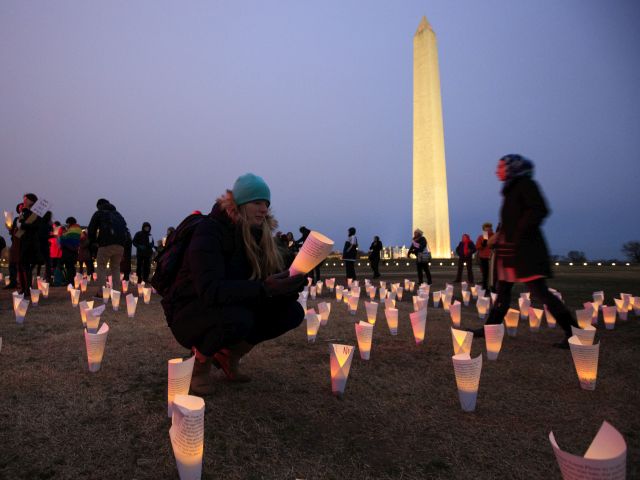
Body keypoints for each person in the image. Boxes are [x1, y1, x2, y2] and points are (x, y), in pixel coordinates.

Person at [161, 173, 306, 394]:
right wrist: (264, 289)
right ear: (240, 204)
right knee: (240, 318)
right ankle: (199, 363)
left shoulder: (260, 235)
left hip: (233, 303)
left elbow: (267, 282)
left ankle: (228, 356)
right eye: (257, 203)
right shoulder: (210, 231)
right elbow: (210, 290)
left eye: (266, 204)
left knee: (291, 312)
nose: (264, 209)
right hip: (190, 310)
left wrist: (292, 281)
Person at [472, 154, 578, 348]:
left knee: (541, 292)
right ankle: (490, 329)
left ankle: (573, 332)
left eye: (501, 166)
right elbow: (513, 218)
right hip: (509, 249)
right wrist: (502, 235)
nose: (497, 170)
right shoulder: (511, 189)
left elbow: (539, 210)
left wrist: (517, 234)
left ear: (512, 168)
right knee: (503, 291)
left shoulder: (525, 185)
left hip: (524, 250)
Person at [87, 198, 128, 295]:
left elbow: (91, 229)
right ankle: (116, 292)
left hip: (105, 243)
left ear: (99, 206)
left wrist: (93, 242)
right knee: (116, 267)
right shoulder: (118, 215)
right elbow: (125, 230)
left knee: (101, 267)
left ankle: (102, 292)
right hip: (120, 245)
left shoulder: (100, 213)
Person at [15, 193, 43, 294]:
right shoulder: (24, 212)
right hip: (23, 241)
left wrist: (21, 225)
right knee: (25, 265)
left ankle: (28, 288)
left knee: (29, 265)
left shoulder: (36, 213)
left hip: (31, 242)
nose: (24, 201)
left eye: (26, 199)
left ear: (32, 201)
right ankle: (26, 288)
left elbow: (35, 226)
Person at [59, 217, 82, 285]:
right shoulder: (79, 229)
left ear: (69, 223)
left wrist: (61, 235)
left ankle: (69, 282)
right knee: (72, 267)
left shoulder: (71, 230)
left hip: (69, 251)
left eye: (67, 223)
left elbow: (64, 239)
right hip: (75, 251)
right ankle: (72, 281)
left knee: (69, 267)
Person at [475, 222, 494, 291]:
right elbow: (477, 247)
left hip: (492, 258)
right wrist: (483, 244)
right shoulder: (481, 237)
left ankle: (493, 288)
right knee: (485, 274)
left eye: (490, 229)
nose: (488, 231)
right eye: (486, 230)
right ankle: (485, 288)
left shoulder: (494, 236)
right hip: (484, 258)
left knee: (493, 274)